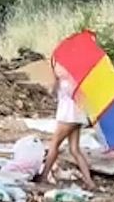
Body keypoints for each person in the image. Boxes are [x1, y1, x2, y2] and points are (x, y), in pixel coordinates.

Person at [36, 59, 97, 190]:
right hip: (78, 116)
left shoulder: (64, 82)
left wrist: (54, 80)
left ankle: (44, 176)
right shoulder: (77, 78)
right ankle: (89, 181)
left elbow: (52, 92)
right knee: (74, 149)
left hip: (67, 116)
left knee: (54, 145)